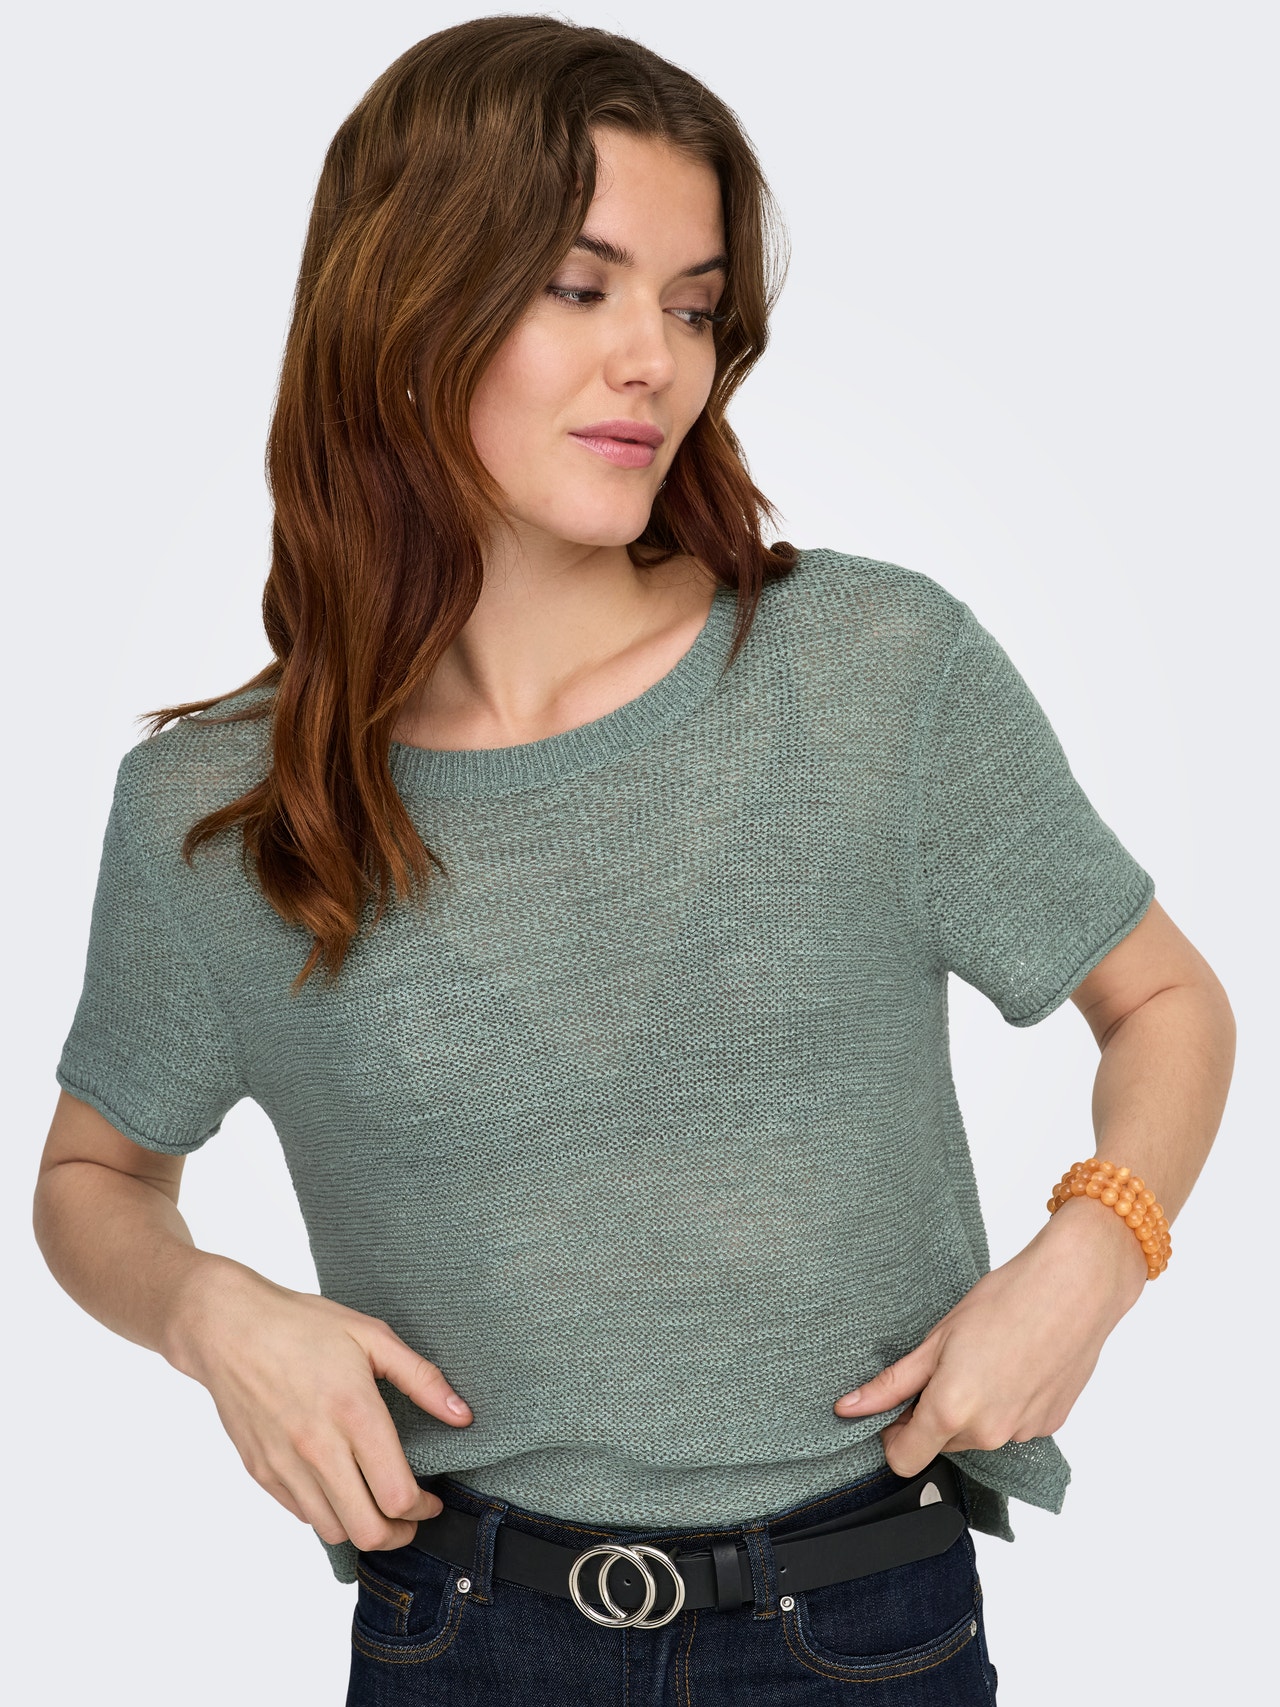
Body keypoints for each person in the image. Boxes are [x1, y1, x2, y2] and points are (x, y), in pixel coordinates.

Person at [33, 15, 1235, 1705]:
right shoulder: (221, 809)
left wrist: (1094, 1255)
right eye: (578, 287)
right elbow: (90, 1181)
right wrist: (208, 1311)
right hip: (454, 1635)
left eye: (690, 306)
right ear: (402, 304)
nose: (652, 361)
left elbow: (1169, 1002)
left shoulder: (874, 673)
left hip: (859, 1629)